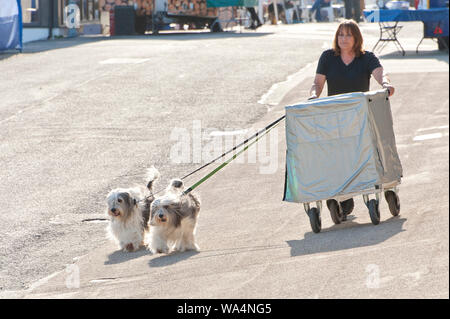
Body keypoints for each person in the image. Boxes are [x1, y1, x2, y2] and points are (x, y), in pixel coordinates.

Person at [308, 19, 395, 216]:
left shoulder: (366, 58)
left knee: (362, 154)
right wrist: (314, 95)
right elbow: (318, 83)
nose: (343, 39)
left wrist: (386, 85)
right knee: (339, 157)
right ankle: (344, 199)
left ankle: (369, 191)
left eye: (348, 35)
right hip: (335, 117)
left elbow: (381, 74)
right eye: (340, 34)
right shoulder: (328, 57)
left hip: (360, 116)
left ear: (357, 38)